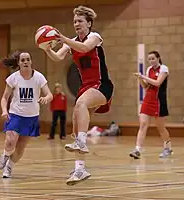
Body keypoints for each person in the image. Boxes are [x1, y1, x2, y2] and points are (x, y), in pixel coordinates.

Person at [43, 5, 114, 185]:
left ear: (89, 23)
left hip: (102, 85)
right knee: (76, 125)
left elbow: (83, 48)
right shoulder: (70, 42)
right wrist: (46, 48)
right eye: (74, 21)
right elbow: (58, 57)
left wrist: (64, 38)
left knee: (80, 104)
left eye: (80, 21)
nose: (76, 24)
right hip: (86, 86)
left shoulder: (94, 37)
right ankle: (80, 169)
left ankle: (82, 142)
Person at [0, 50, 53, 178]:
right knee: (11, 141)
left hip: (31, 117)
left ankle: (9, 166)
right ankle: (5, 155)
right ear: (19, 63)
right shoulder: (13, 78)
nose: (26, 62)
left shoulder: (39, 77)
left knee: (20, 148)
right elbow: (4, 97)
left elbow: (49, 94)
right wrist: (4, 110)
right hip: (16, 114)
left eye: (28, 59)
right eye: (23, 60)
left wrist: (46, 98)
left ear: (31, 61)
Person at [129, 51, 172, 159]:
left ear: (158, 58)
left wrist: (144, 76)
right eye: (149, 59)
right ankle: (137, 149)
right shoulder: (149, 70)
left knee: (160, 127)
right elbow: (146, 87)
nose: (151, 61)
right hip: (148, 99)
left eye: (153, 58)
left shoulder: (164, 69)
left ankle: (168, 148)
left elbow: (157, 83)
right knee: (143, 124)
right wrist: (140, 79)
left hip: (159, 101)